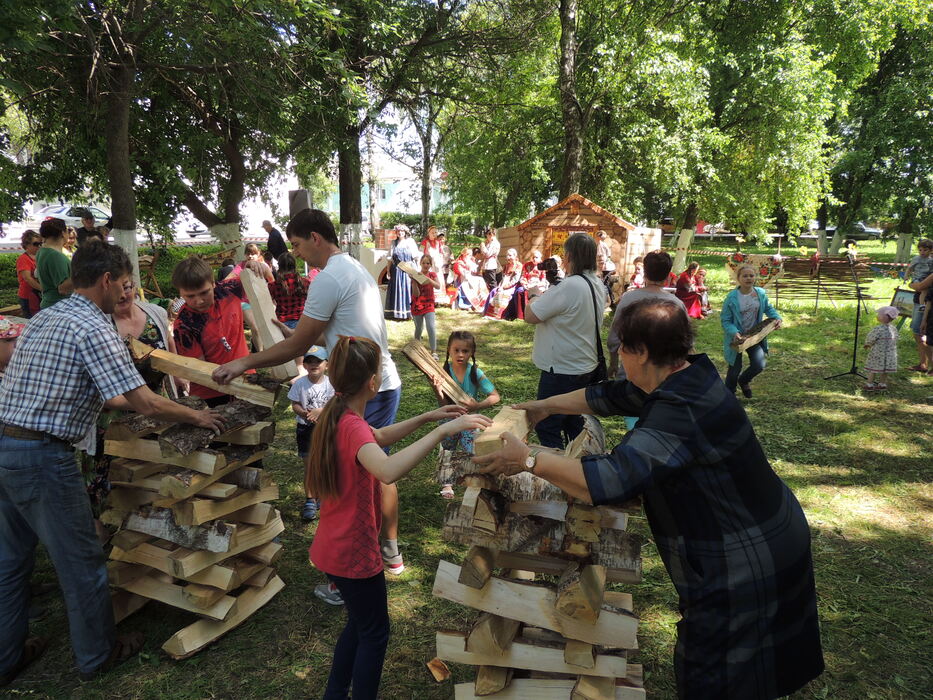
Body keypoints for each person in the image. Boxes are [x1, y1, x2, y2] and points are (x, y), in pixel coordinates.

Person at [474, 298, 824, 699]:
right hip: (765, 529)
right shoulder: (686, 376)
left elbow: (609, 480)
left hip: (745, 557)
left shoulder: (679, 408)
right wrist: (544, 408)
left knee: (713, 676)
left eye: (622, 349)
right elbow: (612, 395)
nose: (620, 358)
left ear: (640, 352)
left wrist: (529, 459)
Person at [0, 240, 224, 686]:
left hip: (5, 443)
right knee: (82, 562)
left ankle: (6, 658)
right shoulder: (94, 327)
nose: (125, 291)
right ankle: (97, 656)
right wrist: (196, 415)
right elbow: (145, 402)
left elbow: (93, 394)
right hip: (42, 456)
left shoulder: (45, 317)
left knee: (9, 561)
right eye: (123, 283)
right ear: (106, 280)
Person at [211, 208, 409, 575]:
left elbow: (298, 347)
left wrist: (243, 362)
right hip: (373, 383)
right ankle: (385, 551)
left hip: (370, 388)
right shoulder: (351, 267)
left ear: (315, 238)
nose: (296, 252)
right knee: (371, 470)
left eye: (298, 244)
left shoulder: (327, 278)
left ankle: (372, 556)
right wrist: (304, 337)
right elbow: (338, 332)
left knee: (371, 475)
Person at [306, 336, 488, 698]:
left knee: (359, 625)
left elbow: (378, 436)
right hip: (353, 553)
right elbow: (387, 470)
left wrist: (428, 417)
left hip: (333, 547)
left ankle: (335, 693)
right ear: (373, 382)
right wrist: (441, 431)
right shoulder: (351, 425)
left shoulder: (340, 413)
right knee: (375, 633)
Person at [524, 233, 607, 448]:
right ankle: (579, 461)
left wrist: (533, 295)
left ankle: (558, 465)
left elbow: (530, 316)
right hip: (584, 365)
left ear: (569, 256)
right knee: (573, 421)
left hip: (562, 369)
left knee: (547, 424)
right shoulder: (596, 283)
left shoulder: (570, 286)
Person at [172, 257, 250, 404]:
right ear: (180, 293)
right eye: (190, 296)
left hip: (247, 379)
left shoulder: (229, 290)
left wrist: (256, 266)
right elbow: (201, 368)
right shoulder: (184, 324)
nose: (199, 301)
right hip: (212, 391)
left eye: (204, 292)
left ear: (213, 283)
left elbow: (254, 274)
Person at [434, 330, 500, 499]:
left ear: (472, 352)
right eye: (456, 350)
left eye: (465, 351)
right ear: (448, 350)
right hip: (448, 420)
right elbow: (443, 405)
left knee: (471, 451)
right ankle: (447, 483)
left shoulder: (475, 373)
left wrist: (477, 405)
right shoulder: (443, 372)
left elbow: (495, 396)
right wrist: (438, 390)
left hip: (470, 421)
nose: (460, 354)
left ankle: (474, 481)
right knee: (447, 449)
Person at [608, 251, 687, 379]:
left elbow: (614, 336)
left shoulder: (628, 299)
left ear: (645, 272)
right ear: (668, 275)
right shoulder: (677, 304)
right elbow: (685, 343)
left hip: (630, 371)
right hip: (663, 374)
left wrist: (613, 362)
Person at [721, 264, 782, 398]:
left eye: (751, 275)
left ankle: (743, 381)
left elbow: (768, 308)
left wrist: (777, 318)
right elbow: (726, 320)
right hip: (736, 338)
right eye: (745, 276)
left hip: (754, 336)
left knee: (759, 364)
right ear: (738, 278)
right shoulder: (732, 297)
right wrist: (734, 332)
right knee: (734, 369)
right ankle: (729, 396)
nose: (748, 278)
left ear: (755, 277)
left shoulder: (760, 293)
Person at [289, 345, 335, 522]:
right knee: (309, 464)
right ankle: (310, 499)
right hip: (305, 429)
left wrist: (320, 411)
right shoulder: (300, 383)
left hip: (325, 429)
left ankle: (322, 494)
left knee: (324, 463)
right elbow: (295, 404)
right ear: (304, 365)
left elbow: (335, 404)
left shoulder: (331, 383)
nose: (314, 364)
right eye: (309, 361)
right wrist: (303, 413)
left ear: (327, 364)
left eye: (318, 361)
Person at [111, 278, 178, 395]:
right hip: (126, 402)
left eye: (126, 288)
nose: (121, 295)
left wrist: (177, 375)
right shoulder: (103, 326)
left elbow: (169, 340)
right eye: (114, 290)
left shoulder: (156, 313)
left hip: (162, 397)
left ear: (134, 287)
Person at [905, 238, 933, 372]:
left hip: (927, 304)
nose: (922, 252)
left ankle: (929, 364)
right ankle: (923, 364)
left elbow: (920, 286)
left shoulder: (931, 264)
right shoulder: (918, 260)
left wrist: (911, 284)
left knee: (920, 332)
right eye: (920, 250)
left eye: (925, 250)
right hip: (920, 301)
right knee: (918, 332)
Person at [35, 218, 73, 310]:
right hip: (59, 307)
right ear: (62, 233)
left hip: (50, 304)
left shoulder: (42, 251)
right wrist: (82, 275)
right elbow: (63, 289)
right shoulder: (55, 256)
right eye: (67, 231)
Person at [269, 252, 312, 330]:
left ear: (279, 266)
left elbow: (269, 303)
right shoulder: (305, 283)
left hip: (282, 323)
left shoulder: (273, 285)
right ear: (294, 265)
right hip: (302, 321)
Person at [384, 228, 418, 320]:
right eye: (398, 231)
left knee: (408, 289)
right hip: (396, 271)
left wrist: (416, 270)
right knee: (397, 290)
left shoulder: (410, 241)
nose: (400, 233)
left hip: (408, 269)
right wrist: (388, 270)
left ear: (405, 232)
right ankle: (397, 313)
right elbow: (390, 258)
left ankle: (409, 313)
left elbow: (415, 257)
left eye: (402, 231)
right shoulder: (393, 243)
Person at [411, 254, 441, 356]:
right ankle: (417, 349)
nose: (425, 265)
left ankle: (433, 351)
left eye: (428, 263)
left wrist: (429, 280)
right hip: (417, 305)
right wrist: (414, 282)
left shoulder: (432, 274)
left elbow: (438, 286)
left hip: (429, 304)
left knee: (431, 327)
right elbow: (416, 294)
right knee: (419, 328)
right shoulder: (417, 275)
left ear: (430, 264)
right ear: (420, 263)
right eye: (423, 263)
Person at [483, 248, 525, 320]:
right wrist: (500, 286)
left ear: (515, 256)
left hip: (513, 285)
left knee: (503, 293)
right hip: (504, 284)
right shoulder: (506, 266)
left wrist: (505, 287)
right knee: (494, 290)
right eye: (507, 255)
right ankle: (489, 313)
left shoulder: (518, 265)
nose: (508, 257)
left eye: (510, 255)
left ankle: (500, 314)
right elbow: (503, 278)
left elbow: (515, 279)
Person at [863, 306, 899, 391]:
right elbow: (896, 338)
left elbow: (871, 338)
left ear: (883, 317)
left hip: (878, 353)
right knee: (885, 369)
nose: (877, 316)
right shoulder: (893, 329)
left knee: (873, 369)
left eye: (879, 314)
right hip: (890, 353)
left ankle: (869, 384)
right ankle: (882, 384)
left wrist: (868, 344)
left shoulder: (878, 329)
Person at [452, 247, 488, 312]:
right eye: (469, 255)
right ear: (465, 255)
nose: (471, 257)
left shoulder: (469, 262)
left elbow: (474, 271)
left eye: (471, 255)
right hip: (460, 281)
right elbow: (463, 274)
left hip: (468, 279)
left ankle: (482, 301)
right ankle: (467, 305)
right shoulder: (459, 263)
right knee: (470, 284)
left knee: (480, 281)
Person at [16, 231, 42, 318]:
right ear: (27, 245)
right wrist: (43, 289)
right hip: (28, 296)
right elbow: (28, 278)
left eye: (40, 243)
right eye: (36, 244)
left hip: (39, 295)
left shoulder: (40, 257)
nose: (39, 246)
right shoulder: (23, 259)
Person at [420, 225, 449, 304]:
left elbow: (440, 253)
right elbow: (420, 252)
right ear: (429, 233)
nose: (434, 234)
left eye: (435, 232)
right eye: (432, 232)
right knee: (429, 278)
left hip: (437, 264)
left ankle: (438, 300)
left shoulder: (438, 242)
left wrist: (440, 262)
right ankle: (428, 297)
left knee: (438, 278)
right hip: (428, 263)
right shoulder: (425, 242)